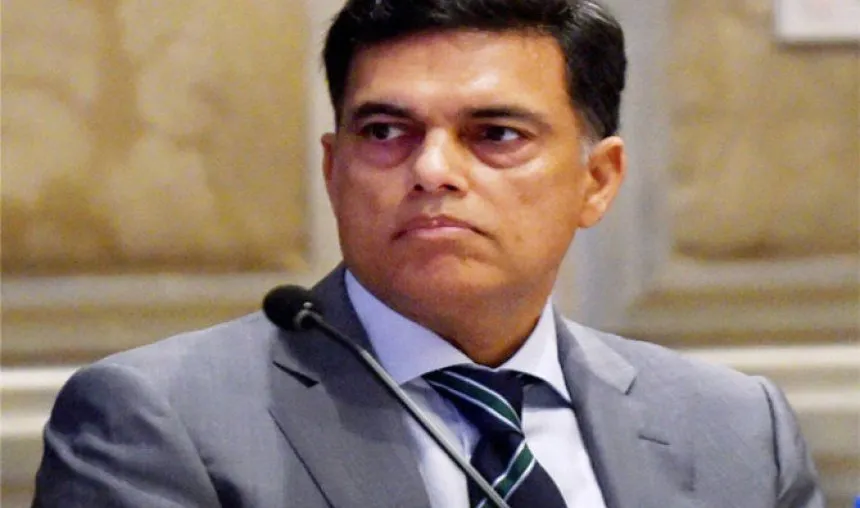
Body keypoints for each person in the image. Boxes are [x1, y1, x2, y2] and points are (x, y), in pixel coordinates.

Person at [33, 0, 825, 506]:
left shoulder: (734, 431)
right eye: (385, 132)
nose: (432, 170)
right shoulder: (159, 421)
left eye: (495, 134)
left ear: (597, 180)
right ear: (333, 169)